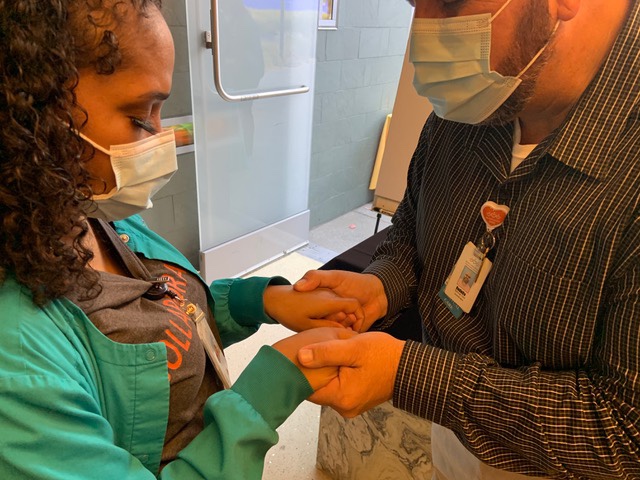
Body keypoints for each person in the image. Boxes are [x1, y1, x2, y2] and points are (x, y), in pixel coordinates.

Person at [0, 1, 361, 478]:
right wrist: (270, 388)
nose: (160, 136)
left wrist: (262, 300)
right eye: (138, 116)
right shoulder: (20, 363)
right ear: (28, 113)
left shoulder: (85, 211)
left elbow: (168, 309)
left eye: (160, 109)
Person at [294, 0, 640, 479]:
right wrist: (383, 284)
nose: (422, 36)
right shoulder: (473, 102)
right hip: (453, 437)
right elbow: (412, 230)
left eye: (449, 1)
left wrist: (409, 374)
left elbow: (625, 429)